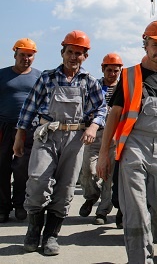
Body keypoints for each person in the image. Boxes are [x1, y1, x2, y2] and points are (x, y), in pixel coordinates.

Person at [97, 20, 157, 264]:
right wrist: (105, 154)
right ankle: (140, 259)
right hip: (134, 146)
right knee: (135, 212)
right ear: (145, 44)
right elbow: (114, 116)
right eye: (156, 44)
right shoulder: (128, 76)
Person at [14, 31, 107, 256]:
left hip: (74, 139)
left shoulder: (89, 82)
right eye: (70, 52)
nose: (73, 57)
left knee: (65, 188)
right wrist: (20, 135)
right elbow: (29, 106)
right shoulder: (47, 78)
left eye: (79, 53)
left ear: (85, 56)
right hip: (47, 135)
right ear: (62, 52)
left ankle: (51, 236)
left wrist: (94, 126)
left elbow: (101, 109)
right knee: (37, 181)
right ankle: (33, 231)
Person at [0, 38, 41, 223]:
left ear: (34, 57)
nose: (26, 58)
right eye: (22, 54)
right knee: (2, 167)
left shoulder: (39, 77)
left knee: (22, 168)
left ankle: (19, 205)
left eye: (29, 55)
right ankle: (2, 207)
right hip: (3, 127)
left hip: (27, 129)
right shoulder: (2, 75)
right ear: (15, 54)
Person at [79, 53, 123, 225]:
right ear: (103, 69)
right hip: (94, 134)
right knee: (88, 171)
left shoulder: (123, 88)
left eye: (116, 71)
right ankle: (91, 196)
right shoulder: (93, 86)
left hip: (114, 137)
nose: (112, 74)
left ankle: (102, 212)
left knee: (108, 176)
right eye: (109, 70)